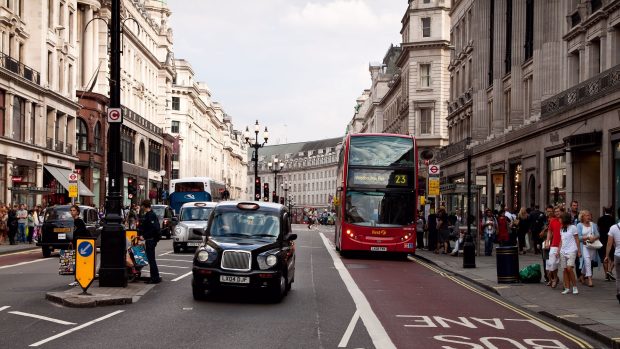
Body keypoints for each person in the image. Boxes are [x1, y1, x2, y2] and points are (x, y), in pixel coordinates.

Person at [138, 200, 161, 284]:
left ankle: (155, 278)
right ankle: (155, 277)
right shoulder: (149, 215)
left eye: (142, 206)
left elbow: (153, 228)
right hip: (150, 240)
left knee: (151, 260)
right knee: (151, 259)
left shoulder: (151, 215)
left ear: (144, 206)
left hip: (151, 240)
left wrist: (144, 236)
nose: (141, 207)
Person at [558, 212, 581, 295]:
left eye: (560, 218)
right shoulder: (561, 229)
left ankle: (575, 287)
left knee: (569, 268)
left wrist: (579, 251)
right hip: (563, 251)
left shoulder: (573, 228)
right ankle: (567, 288)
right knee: (564, 270)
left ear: (564, 219)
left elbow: (577, 239)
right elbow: (561, 240)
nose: (559, 220)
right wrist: (558, 250)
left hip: (572, 250)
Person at [604, 215, 620, 304]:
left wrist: (606, 255)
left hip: (617, 255)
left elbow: (609, 243)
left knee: (618, 277)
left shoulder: (613, 228)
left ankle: (619, 292)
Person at [545, 206, 563, 288]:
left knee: (564, 265)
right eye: (555, 212)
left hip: (564, 245)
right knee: (552, 263)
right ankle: (555, 278)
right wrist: (547, 242)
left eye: (558, 211)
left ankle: (566, 282)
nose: (557, 213)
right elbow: (549, 231)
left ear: (561, 212)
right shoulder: (552, 221)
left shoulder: (565, 220)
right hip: (554, 245)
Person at [597, 206, 616, 281]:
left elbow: (598, 228)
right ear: (611, 212)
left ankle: (606, 275)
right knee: (614, 258)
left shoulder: (600, 219)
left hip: (602, 240)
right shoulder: (612, 219)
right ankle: (610, 271)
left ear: (604, 211)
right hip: (610, 239)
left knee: (605, 257)